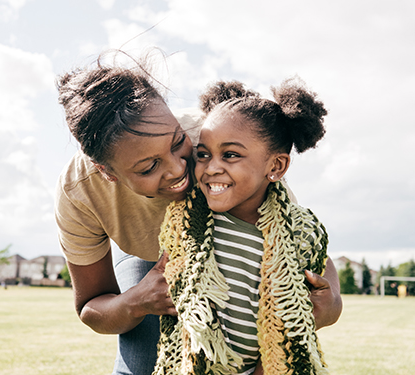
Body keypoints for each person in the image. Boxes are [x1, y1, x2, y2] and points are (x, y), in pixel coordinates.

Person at [55, 54, 342, 375]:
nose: (179, 169)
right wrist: (137, 300)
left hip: (223, 256)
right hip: (147, 256)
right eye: (149, 166)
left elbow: (297, 251)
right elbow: (91, 307)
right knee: (143, 359)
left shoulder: (221, 148)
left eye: (178, 143)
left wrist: (331, 304)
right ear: (106, 171)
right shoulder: (80, 190)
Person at [154, 79, 336, 375]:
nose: (211, 167)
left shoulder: (296, 232)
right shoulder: (187, 223)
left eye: (230, 155)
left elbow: (298, 311)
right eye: (204, 154)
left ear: (276, 167)